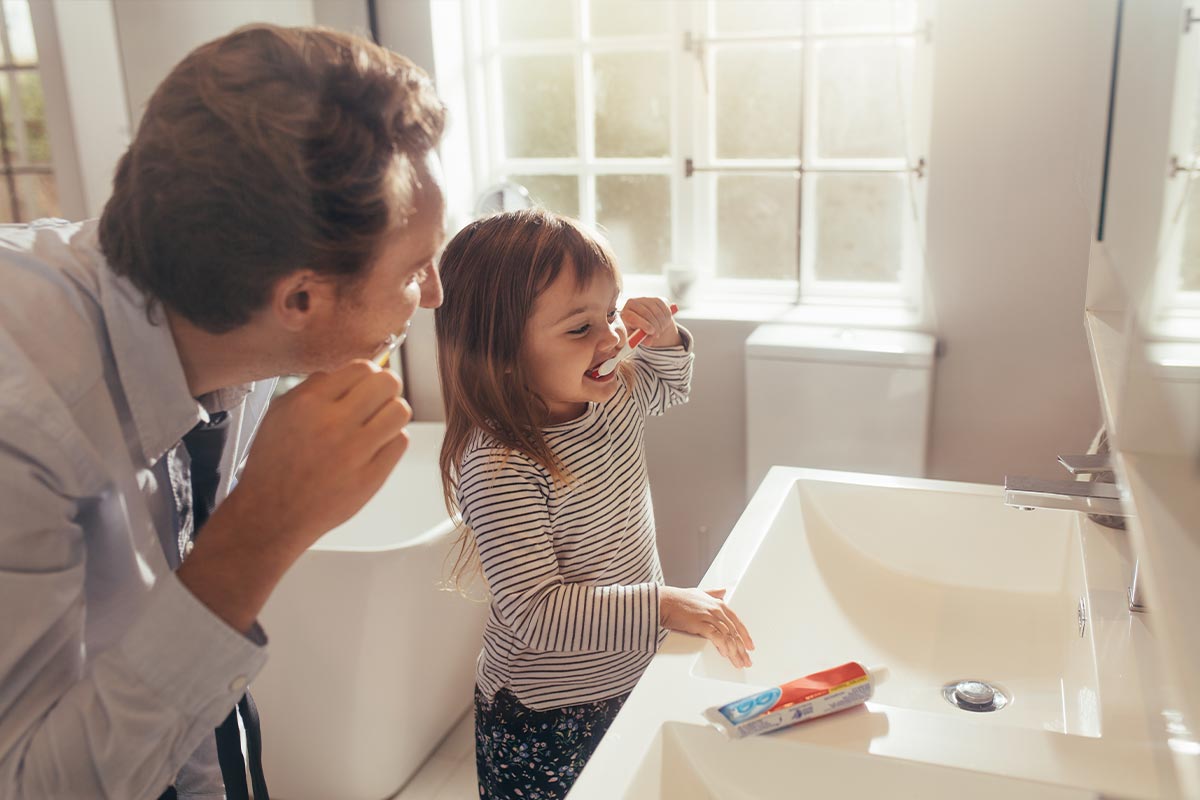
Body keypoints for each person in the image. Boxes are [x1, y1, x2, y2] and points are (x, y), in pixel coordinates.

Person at [0, 24, 446, 799]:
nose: (434, 293)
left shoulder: (231, 328)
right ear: (300, 299)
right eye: (414, 269)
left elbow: (179, 673)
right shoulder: (24, 419)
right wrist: (259, 533)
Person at [434, 209, 756, 799]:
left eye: (610, 313)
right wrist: (662, 604)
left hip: (628, 672)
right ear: (501, 350)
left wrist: (666, 338)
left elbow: (667, 384)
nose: (610, 339)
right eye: (580, 329)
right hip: (547, 715)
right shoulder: (502, 465)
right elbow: (535, 612)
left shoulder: (610, 395)